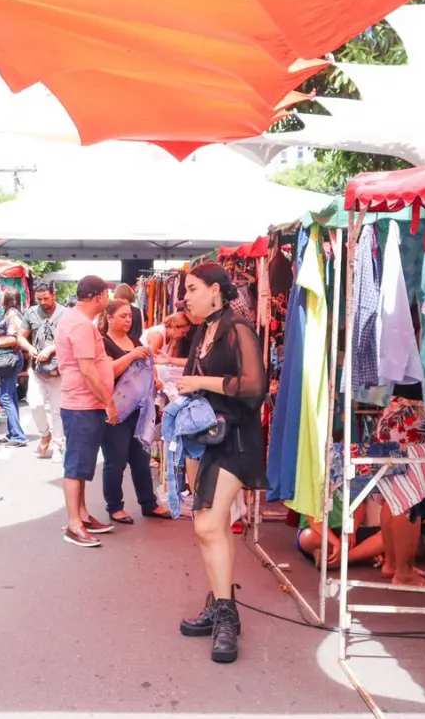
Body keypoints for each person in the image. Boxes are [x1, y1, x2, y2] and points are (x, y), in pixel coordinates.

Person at [174, 263, 267, 664]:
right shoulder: (203, 330)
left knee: (208, 523)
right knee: (212, 527)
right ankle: (220, 604)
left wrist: (200, 383)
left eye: (192, 289)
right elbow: (192, 378)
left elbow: (254, 387)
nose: (186, 297)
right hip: (207, 438)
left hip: (238, 439)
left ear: (216, 290)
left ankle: (226, 615)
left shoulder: (237, 327)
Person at [53, 276, 118, 548]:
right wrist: (108, 402)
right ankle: (74, 524)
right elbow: (88, 371)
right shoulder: (80, 324)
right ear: (100, 296)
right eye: (107, 295)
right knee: (76, 465)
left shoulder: (74, 319)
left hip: (80, 402)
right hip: (83, 403)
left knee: (81, 465)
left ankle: (81, 515)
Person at [98, 299, 171, 523]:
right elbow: (106, 372)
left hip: (139, 410)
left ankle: (148, 503)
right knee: (116, 460)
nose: (128, 320)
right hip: (115, 410)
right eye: (123, 316)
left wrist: (156, 381)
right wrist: (130, 356)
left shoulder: (133, 340)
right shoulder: (102, 342)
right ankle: (114, 506)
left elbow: (147, 367)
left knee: (141, 458)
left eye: (130, 315)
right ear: (109, 318)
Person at [21, 281, 66, 459]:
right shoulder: (31, 313)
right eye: (39, 299)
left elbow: (70, 339)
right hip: (37, 369)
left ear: (54, 295)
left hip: (59, 370)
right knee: (35, 404)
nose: (43, 302)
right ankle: (45, 433)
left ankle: (58, 445)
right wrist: (28, 347)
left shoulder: (66, 314)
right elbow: (21, 336)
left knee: (57, 410)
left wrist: (52, 348)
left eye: (46, 298)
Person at [0, 288, 34, 447]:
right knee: (11, 397)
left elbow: (16, 338)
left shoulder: (13, 315)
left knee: (5, 398)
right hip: (9, 359)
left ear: (8, 298)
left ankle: (19, 436)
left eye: (2, 296)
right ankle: (12, 433)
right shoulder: (12, 313)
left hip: (10, 359)